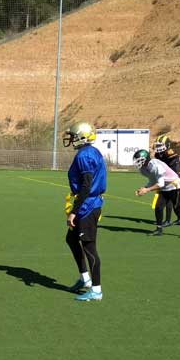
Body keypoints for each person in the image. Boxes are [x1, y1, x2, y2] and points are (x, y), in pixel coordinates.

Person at [63, 122, 106, 302]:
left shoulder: (85, 155)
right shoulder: (90, 152)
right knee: (71, 239)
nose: (71, 139)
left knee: (89, 247)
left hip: (87, 205)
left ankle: (96, 290)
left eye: (73, 136)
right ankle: (85, 279)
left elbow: (87, 185)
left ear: (82, 136)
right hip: (87, 203)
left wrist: (74, 211)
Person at [133, 149, 180, 238]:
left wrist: (147, 190)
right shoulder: (144, 168)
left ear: (145, 159)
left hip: (174, 185)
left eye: (139, 160)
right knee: (158, 207)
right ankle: (159, 229)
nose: (137, 162)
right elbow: (152, 180)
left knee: (177, 209)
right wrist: (144, 187)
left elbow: (160, 183)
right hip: (164, 187)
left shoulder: (155, 165)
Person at [153, 134, 180, 227]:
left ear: (167, 145)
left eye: (160, 146)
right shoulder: (158, 154)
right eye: (157, 145)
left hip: (176, 178)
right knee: (170, 200)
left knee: (172, 200)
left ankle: (168, 220)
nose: (158, 148)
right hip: (166, 177)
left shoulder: (171, 155)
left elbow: (174, 170)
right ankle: (177, 219)